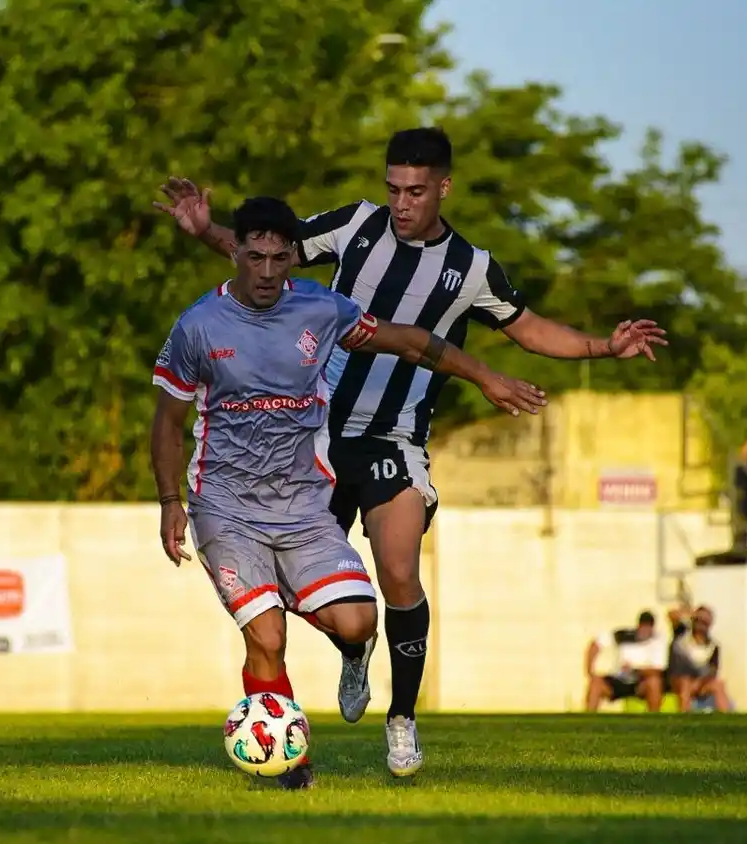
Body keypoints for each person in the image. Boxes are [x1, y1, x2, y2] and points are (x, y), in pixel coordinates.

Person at [154, 127, 667, 776]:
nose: (401, 202)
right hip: (314, 439)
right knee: (278, 606)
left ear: (443, 188)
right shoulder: (355, 226)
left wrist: (600, 348)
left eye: (416, 191)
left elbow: (529, 328)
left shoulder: (471, 267)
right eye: (393, 188)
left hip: (393, 436)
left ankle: (401, 718)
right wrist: (205, 229)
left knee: (397, 571)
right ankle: (303, 707)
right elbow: (265, 256)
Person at [149, 196, 544, 789]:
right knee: (267, 634)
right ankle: (289, 762)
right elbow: (167, 422)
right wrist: (169, 502)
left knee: (358, 622)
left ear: (293, 258)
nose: (265, 271)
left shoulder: (322, 309)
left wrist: (485, 375)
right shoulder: (198, 326)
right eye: (254, 256)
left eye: (279, 258)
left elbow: (409, 342)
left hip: (305, 509)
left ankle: (335, 639)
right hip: (225, 507)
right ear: (236, 254)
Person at [584, 612, 669, 713]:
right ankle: (589, 717)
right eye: (643, 626)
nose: (645, 630)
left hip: (639, 682)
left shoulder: (658, 640)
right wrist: (590, 670)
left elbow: (657, 670)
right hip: (618, 678)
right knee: (596, 683)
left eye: (648, 627)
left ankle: (654, 717)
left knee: (654, 682)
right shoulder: (624, 636)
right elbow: (596, 644)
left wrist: (634, 670)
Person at [665, 604, 732, 712]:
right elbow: (671, 615)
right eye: (698, 620)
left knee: (719, 685)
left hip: (700, 682)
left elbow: (712, 671)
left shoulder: (713, 647)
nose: (701, 624)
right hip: (678, 680)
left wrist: (699, 683)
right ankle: (685, 716)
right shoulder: (682, 635)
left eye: (704, 622)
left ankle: (726, 717)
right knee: (685, 684)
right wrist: (691, 613)